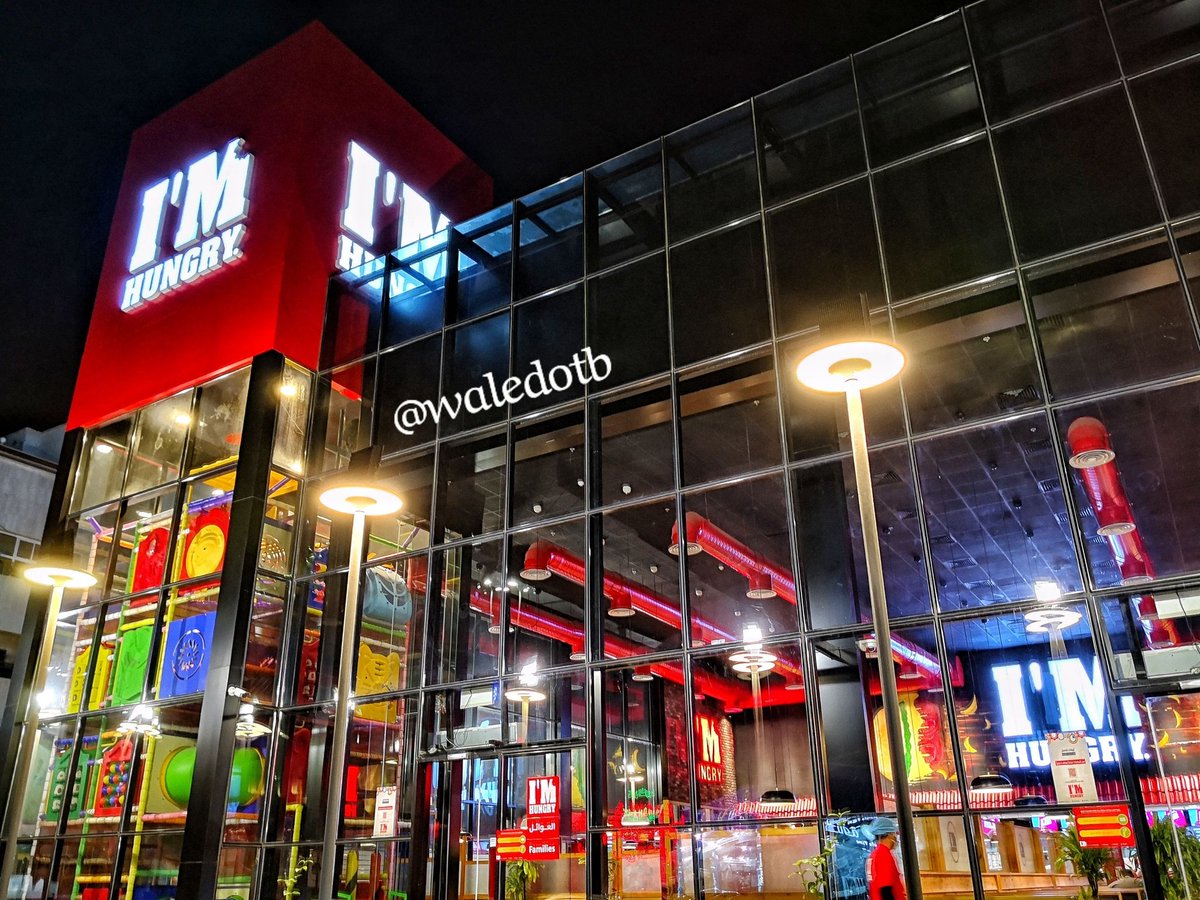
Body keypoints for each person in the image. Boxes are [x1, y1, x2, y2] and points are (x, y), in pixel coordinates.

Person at [866, 817, 907, 900]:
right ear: (889, 834)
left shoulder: (874, 855)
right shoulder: (883, 854)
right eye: (895, 833)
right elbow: (885, 889)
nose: (896, 837)